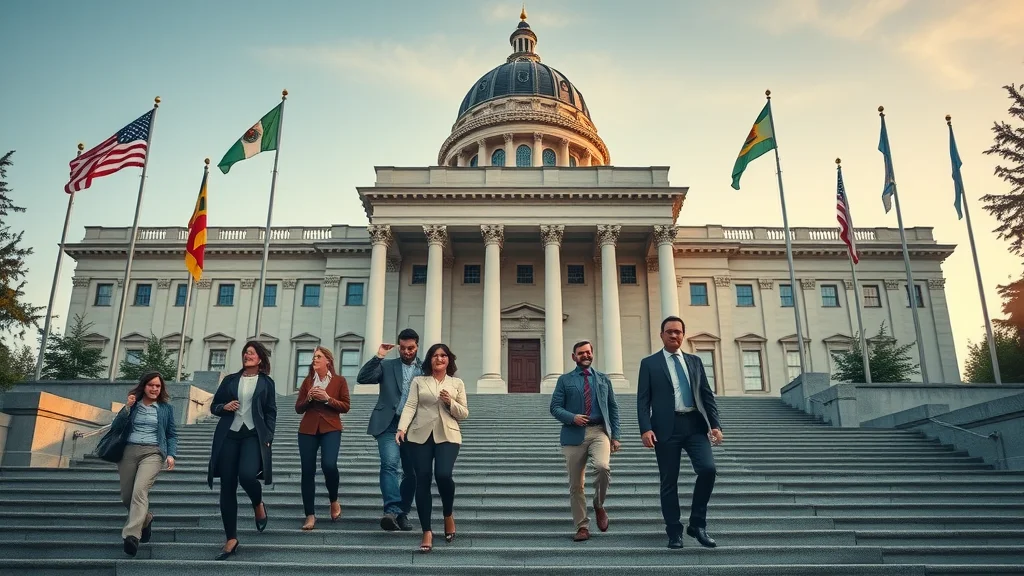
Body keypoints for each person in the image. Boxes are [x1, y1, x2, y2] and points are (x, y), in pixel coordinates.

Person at [637, 316, 723, 550]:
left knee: (708, 470)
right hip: (666, 428)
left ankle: (697, 524)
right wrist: (645, 428)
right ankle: (674, 531)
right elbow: (643, 400)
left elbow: (706, 394)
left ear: (683, 335)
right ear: (661, 334)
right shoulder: (649, 363)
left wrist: (715, 425)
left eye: (678, 332)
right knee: (669, 481)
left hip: (695, 425)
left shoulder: (695, 361)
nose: (674, 335)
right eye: (669, 332)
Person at [207, 341, 277, 560]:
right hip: (229, 435)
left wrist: (268, 437)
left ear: (260, 359)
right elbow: (214, 406)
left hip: (253, 436)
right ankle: (231, 538)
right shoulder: (230, 380)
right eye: (246, 352)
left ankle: (258, 503)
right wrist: (223, 407)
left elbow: (271, 412)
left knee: (247, 475)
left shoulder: (266, 382)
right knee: (227, 485)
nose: (248, 355)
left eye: (252, 353)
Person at [396, 343, 468, 553]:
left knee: (444, 475)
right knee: (423, 479)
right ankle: (427, 530)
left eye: (443, 355)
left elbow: (464, 413)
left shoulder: (457, 383)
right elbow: (410, 406)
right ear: (430, 359)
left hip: (448, 434)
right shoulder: (419, 381)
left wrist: (450, 402)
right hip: (419, 436)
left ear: (449, 359)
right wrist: (402, 428)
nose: (439, 358)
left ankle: (448, 514)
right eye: (435, 355)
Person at [549, 340, 621, 542]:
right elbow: (555, 407)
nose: (586, 355)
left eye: (588, 352)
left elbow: (613, 408)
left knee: (602, 467)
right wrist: (572, 417)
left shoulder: (603, 379)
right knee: (576, 485)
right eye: (581, 353)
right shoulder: (565, 380)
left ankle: (598, 504)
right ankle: (582, 526)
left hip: (599, 432)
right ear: (574, 357)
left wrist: (616, 435)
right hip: (574, 435)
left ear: (593, 354)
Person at [356, 328, 421, 532]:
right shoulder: (387, 365)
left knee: (411, 473)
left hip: (414, 426)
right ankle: (391, 510)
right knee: (390, 464)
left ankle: (402, 514)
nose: (406, 352)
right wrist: (379, 355)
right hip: (388, 424)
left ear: (417, 346)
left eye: (410, 348)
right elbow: (363, 378)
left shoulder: (425, 369)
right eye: (402, 348)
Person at [114, 371, 178, 557]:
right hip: (128, 451)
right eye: (151, 385)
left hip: (153, 453)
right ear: (144, 386)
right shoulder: (133, 404)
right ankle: (146, 518)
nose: (154, 389)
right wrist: (127, 407)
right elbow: (117, 426)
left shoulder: (166, 408)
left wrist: (171, 454)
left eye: (158, 386)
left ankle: (132, 535)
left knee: (139, 491)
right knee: (127, 497)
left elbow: (172, 434)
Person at [295, 346, 351, 530]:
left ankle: (333, 499)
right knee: (307, 471)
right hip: (307, 429)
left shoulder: (339, 381)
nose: (315, 359)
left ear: (328, 360)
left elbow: (345, 406)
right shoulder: (307, 382)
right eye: (314, 357)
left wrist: (327, 398)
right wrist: (309, 398)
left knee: (329, 464)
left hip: (331, 427)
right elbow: (298, 408)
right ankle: (310, 515)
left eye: (318, 356)